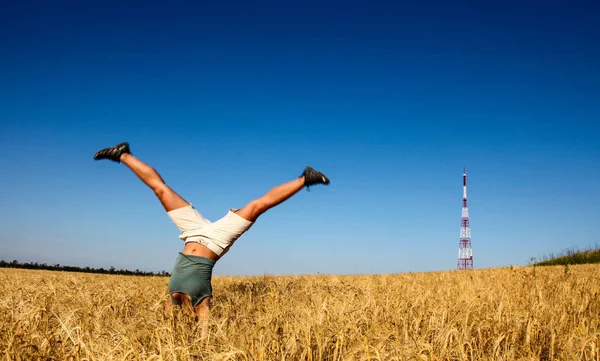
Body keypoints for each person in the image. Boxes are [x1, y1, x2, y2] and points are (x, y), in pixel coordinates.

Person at [93, 142, 330, 325]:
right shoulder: (202, 301)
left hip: (192, 232)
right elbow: (204, 323)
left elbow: (167, 321)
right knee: (257, 207)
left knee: (161, 189)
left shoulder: (175, 301)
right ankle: (304, 178)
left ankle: (122, 154)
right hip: (217, 239)